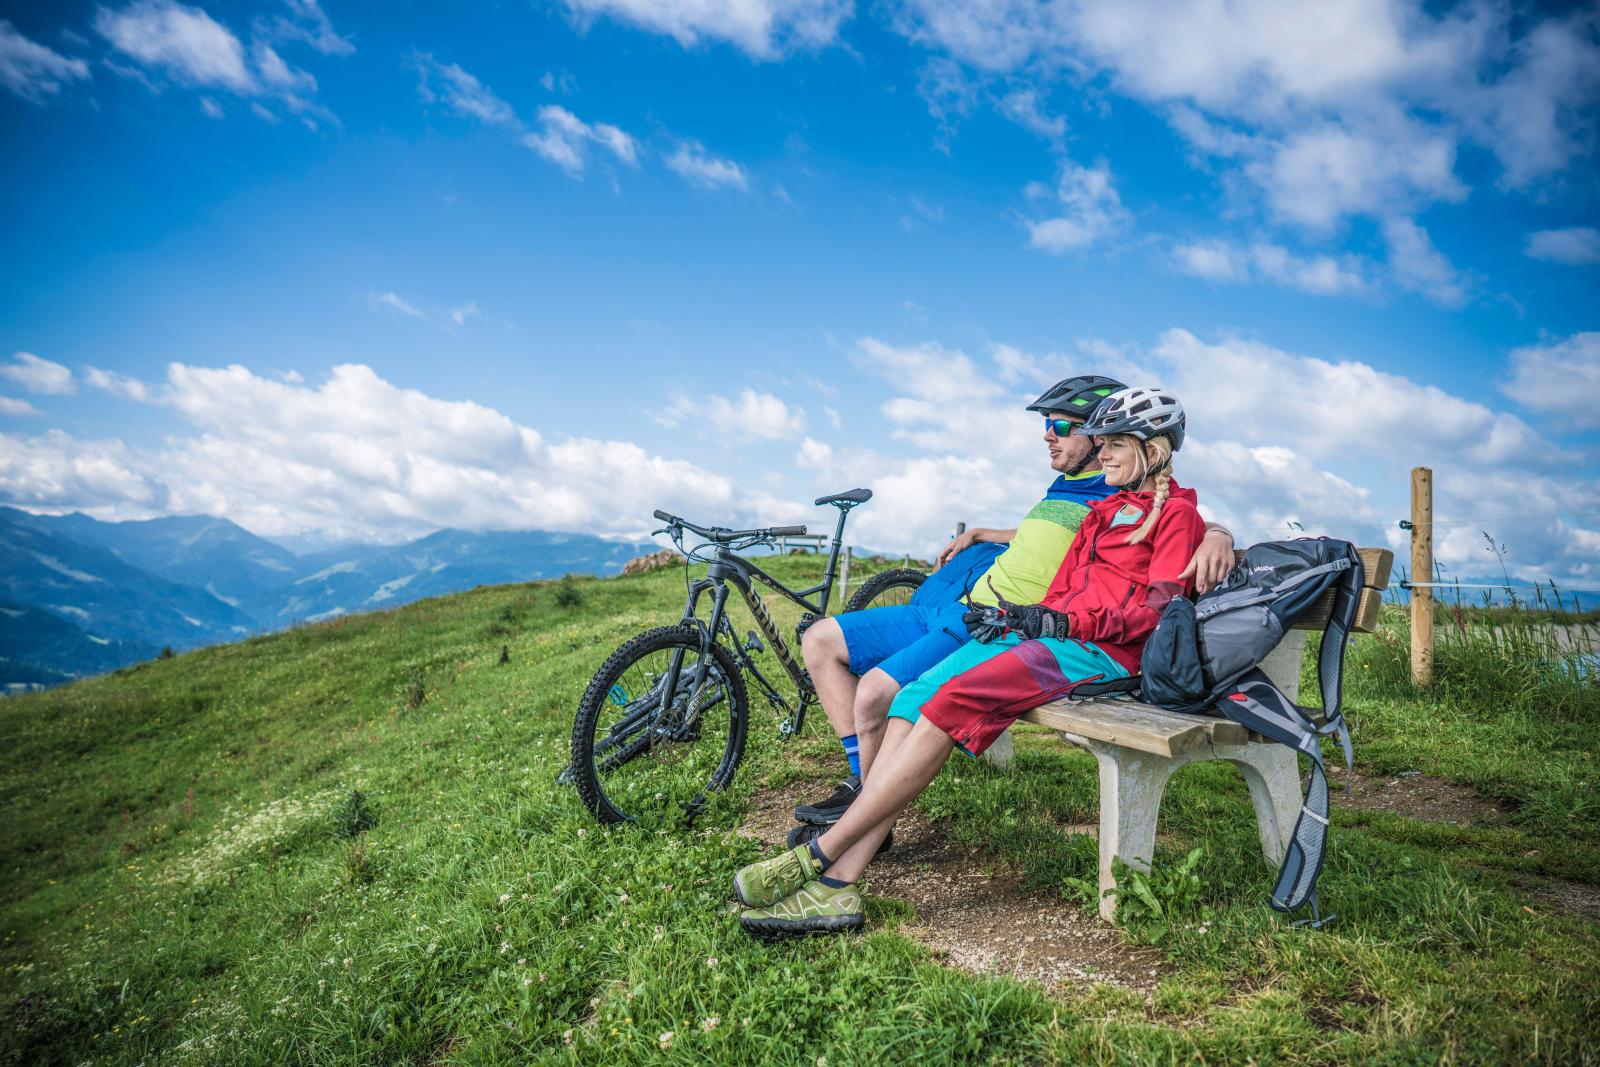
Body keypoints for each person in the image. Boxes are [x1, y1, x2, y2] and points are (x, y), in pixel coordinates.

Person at [735, 387, 1206, 937]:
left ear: (1155, 450)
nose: (1102, 453)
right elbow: (1059, 592)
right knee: (912, 698)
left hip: (1100, 655)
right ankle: (840, 883)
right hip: (1048, 638)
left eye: (1114, 444)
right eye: (1098, 442)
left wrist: (1062, 625)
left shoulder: (1176, 517)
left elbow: (1154, 614)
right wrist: (1016, 617)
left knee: (951, 702)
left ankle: (822, 862)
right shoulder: (1103, 512)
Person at [790, 376, 1235, 837]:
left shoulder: (1117, 489)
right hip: (967, 607)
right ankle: (862, 790)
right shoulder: (1065, 489)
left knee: (877, 695)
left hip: (1028, 627)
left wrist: (1219, 533)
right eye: (1048, 425)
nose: (1049, 435)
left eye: (1062, 426)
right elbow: (1041, 540)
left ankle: (866, 812)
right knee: (820, 638)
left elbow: (1173, 509)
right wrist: (983, 533)